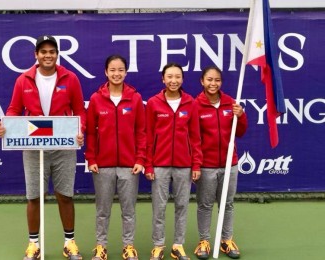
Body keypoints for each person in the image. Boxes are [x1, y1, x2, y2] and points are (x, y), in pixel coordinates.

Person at [0, 35, 86, 260]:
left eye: (52, 51)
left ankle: (69, 243)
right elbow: (14, 109)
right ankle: (34, 245)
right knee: (34, 196)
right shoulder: (23, 79)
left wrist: (80, 129)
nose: (48, 55)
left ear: (57, 54)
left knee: (65, 195)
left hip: (63, 146)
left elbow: (79, 111)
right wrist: (6, 126)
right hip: (33, 147)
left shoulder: (71, 78)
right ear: (36, 55)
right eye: (43, 51)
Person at [85, 55, 146, 260]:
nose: (116, 74)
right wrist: (91, 159)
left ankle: (128, 247)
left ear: (126, 72)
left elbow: (141, 131)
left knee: (128, 210)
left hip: (130, 166)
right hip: (103, 165)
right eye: (112, 70)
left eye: (120, 70)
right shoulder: (96, 98)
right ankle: (101, 247)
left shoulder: (135, 98)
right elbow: (91, 133)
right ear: (106, 72)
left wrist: (140, 159)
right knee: (103, 210)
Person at [144, 63, 202, 260]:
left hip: (184, 165)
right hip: (159, 165)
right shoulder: (153, 103)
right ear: (163, 79)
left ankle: (178, 245)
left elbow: (195, 137)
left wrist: (195, 164)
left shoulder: (190, 103)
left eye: (177, 77)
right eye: (169, 76)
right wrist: (148, 164)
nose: (173, 80)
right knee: (158, 207)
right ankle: (158, 246)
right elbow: (148, 136)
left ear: (182, 79)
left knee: (182, 206)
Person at [193, 66, 248, 260]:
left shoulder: (231, 104)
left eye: (217, 80)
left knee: (228, 204)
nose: (213, 83)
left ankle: (226, 240)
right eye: (209, 80)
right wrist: (197, 164)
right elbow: (193, 139)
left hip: (229, 164)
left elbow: (240, 132)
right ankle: (204, 241)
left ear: (221, 82)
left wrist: (240, 116)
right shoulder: (195, 105)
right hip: (206, 166)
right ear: (202, 81)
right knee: (205, 205)